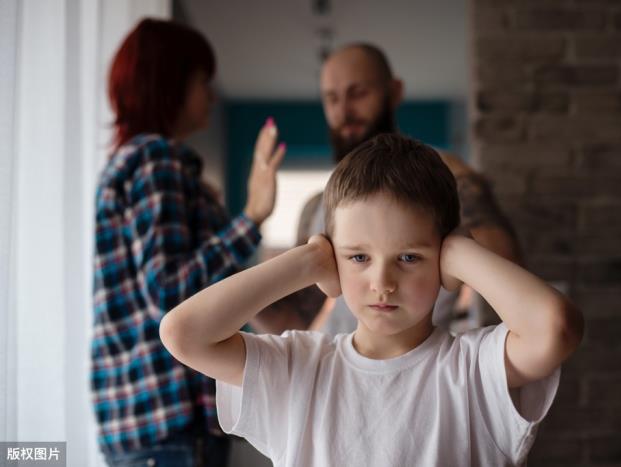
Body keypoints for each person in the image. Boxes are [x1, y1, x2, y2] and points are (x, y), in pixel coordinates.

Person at [160, 134, 584, 467]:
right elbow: (182, 333)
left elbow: (556, 328)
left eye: (408, 257)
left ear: (441, 257)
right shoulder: (298, 366)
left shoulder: (473, 369)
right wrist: (306, 262)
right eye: (358, 257)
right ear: (333, 255)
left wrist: (461, 253)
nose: (382, 282)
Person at [91, 18, 285, 466]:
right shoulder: (156, 159)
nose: (212, 96)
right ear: (170, 83)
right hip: (167, 421)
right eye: (203, 81)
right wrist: (252, 216)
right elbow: (170, 292)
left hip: (142, 421)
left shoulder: (134, 162)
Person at [250, 42, 520, 336]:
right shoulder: (318, 206)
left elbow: (506, 272)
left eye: (358, 93)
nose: (344, 112)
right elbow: (296, 321)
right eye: (332, 99)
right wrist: (250, 221)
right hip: (343, 372)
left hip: (423, 368)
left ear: (394, 92)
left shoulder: (446, 178)